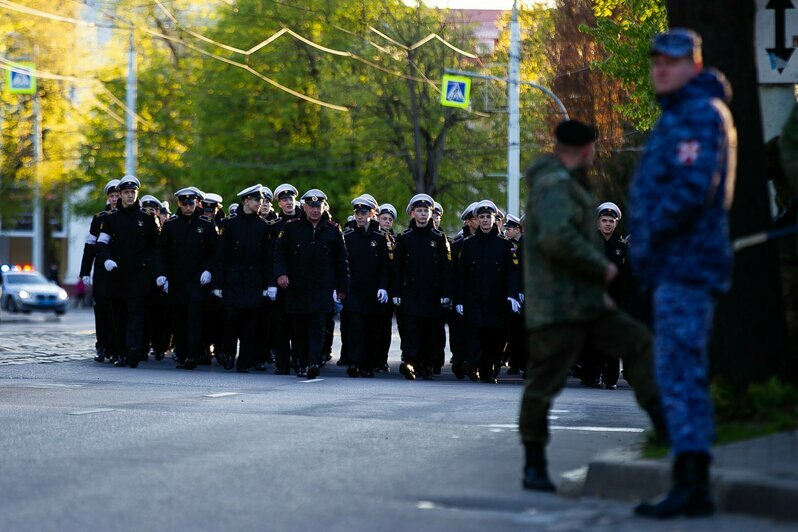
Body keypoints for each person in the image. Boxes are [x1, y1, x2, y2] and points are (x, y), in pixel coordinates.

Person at [519, 120, 664, 492]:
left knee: (637, 344)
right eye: (594, 150)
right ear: (585, 150)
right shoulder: (554, 186)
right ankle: (534, 464)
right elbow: (556, 239)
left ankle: (667, 434)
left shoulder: (568, 184)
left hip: (585, 301)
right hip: (557, 305)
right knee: (544, 382)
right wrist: (601, 266)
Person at [631, 29, 737, 519]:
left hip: (687, 265)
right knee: (676, 372)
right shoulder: (678, 115)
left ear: (693, 66)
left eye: (671, 61)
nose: (660, 68)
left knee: (680, 374)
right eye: (656, 61)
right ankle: (689, 479)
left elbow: (694, 187)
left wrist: (649, 233)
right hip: (672, 267)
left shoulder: (700, 115)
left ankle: (692, 484)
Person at [273, 189, 350, 379]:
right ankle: (300, 361)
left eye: (318, 206)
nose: (315, 210)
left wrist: (342, 288)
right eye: (311, 206)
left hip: (322, 286)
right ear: (304, 207)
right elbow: (279, 254)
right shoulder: (291, 227)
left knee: (317, 326)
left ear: (324, 207)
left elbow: (341, 261)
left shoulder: (333, 229)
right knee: (299, 327)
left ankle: (312, 362)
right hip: (297, 286)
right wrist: (281, 274)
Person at [96, 175, 160, 368]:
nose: (130, 196)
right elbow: (101, 244)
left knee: (136, 315)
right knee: (119, 316)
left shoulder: (147, 219)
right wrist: (106, 259)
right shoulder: (111, 219)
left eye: (133, 192)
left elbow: (157, 247)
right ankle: (120, 352)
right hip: (117, 276)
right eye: (126, 192)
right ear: (121, 194)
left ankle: (133, 349)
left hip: (139, 276)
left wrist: (151, 268)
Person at [454, 199, 521, 383]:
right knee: (474, 334)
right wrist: (459, 300)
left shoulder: (505, 245)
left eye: (488, 217)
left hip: (496, 300)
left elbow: (512, 273)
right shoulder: (469, 244)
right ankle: (472, 363)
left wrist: (513, 295)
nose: (484, 220)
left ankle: (487, 370)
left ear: (495, 220)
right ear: (476, 219)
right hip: (474, 298)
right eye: (481, 217)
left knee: (494, 338)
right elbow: (461, 275)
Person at [155, 187, 218, 370]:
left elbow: (215, 252)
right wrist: (161, 275)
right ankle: (181, 354)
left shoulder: (206, 224)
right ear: (179, 204)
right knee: (178, 321)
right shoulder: (171, 225)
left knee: (195, 320)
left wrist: (209, 270)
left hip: (198, 281)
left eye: (191, 203)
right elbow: (161, 252)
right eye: (184, 203)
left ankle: (192, 355)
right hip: (177, 280)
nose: (188, 207)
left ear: (197, 203)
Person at [391, 193, 452, 380]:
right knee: (410, 331)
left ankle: (426, 366)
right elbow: (397, 268)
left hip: (432, 294)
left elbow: (446, 269)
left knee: (430, 332)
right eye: (419, 211)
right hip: (409, 293)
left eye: (426, 211)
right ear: (412, 214)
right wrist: (396, 292)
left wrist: (445, 293)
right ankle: (411, 363)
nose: (423, 214)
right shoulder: (404, 238)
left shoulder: (440, 238)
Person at [211, 184, 272, 372]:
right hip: (233, 281)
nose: (260, 204)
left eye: (261, 200)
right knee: (229, 321)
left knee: (250, 325)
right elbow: (221, 256)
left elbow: (267, 258)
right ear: (246, 201)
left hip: (254, 281)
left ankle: (244, 361)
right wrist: (217, 284)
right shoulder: (230, 224)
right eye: (257, 200)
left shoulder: (263, 226)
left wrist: (268, 284)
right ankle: (228, 353)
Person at [342, 195, 390, 377]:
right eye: (357, 213)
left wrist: (383, 286)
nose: (359, 217)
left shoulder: (380, 237)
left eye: (363, 213)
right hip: (353, 290)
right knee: (355, 329)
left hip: (373, 291)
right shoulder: (347, 236)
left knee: (372, 330)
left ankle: (368, 365)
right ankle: (354, 363)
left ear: (372, 214)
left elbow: (386, 265)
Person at [79, 178, 120, 363]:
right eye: (112, 196)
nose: (114, 199)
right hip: (103, 273)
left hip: (121, 271)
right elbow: (90, 247)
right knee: (101, 311)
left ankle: (117, 348)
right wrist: (85, 272)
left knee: (117, 312)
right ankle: (102, 346)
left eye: (117, 196)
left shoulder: (130, 216)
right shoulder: (100, 218)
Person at [374, 203, 398, 372]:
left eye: (390, 219)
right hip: (373, 287)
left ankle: (382, 358)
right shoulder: (373, 236)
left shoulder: (396, 240)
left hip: (388, 288)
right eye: (384, 218)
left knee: (385, 327)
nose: (387, 222)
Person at [502, 214, 527, 376]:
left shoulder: (526, 245)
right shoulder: (508, 245)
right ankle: (515, 362)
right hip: (513, 295)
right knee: (514, 331)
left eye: (509, 228)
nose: (506, 231)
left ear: (517, 229)